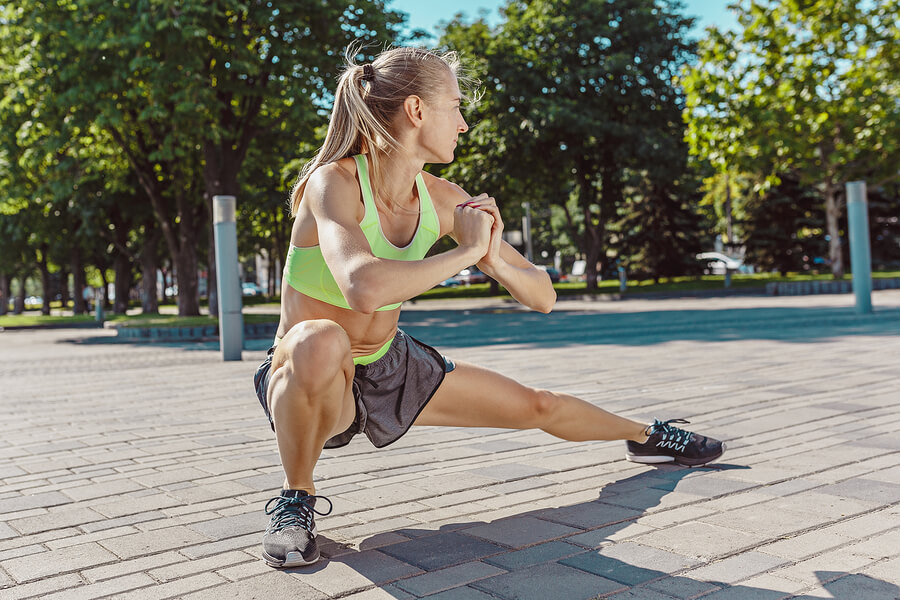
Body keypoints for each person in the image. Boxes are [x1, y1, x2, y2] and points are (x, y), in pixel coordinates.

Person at [253, 45, 725, 569]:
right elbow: (362, 286)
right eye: (455, 107)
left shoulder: (440, 197)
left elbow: (543, 297)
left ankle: (649, 434)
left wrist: (492, 255)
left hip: (391, 366)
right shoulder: (334, 183)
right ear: (416, 111)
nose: (463, 124)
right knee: (321, 338)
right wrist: (466, 253)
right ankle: (296, 500)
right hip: (310, 377)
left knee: (538, 406)